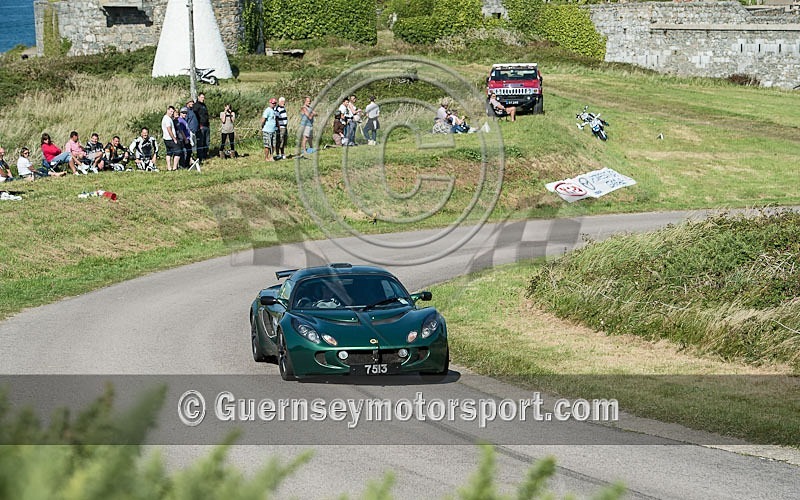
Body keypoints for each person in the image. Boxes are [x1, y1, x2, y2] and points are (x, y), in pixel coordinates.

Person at [162, 105, 180, 171]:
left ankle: (169, 167)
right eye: (170, 111)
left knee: (169, 153)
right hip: (170, 138)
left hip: (166, 138)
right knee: (178, 151)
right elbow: (169, 129)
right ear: (167, 110)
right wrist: (174, 138)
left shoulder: (167, 118)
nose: (171, 113)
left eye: (172, 111)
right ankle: (174, 167)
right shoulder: (167, 119)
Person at [194, 92, 210, 160]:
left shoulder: (204, 105)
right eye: (201, 97)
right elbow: (195, 116)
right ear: (198, 97)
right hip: (201, 126)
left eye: (204, 98)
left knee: (207, 142)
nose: (203, 99)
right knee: (201, 142)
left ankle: (205, 155)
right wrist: (198, 125)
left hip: (206, 125)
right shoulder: (196, 105)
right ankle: (200, 157)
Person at [261, 98, 278, 162]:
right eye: (273, 103)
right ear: (270, 103)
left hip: (273, 130)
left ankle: (271, 156)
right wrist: (262, 127)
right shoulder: (267, 110)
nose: (274, 104)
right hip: (267, 131)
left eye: (275, 103)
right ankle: (266, 157)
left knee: (273, 145)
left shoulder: (274, 111)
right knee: (267, 145)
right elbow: (263, 120)